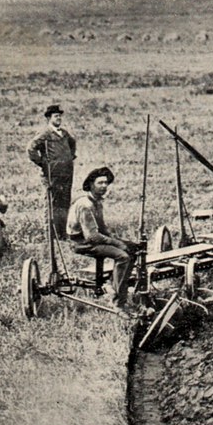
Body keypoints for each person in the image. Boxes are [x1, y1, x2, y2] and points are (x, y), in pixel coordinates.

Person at [66, 167, 138, 316]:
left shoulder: (97, 202)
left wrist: (120, 241)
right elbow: (92, 237)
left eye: (106, 183)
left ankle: (115, 284)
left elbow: (102, 229)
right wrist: (117, 243)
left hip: (92, 240)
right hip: (82, 243)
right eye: (100, 183)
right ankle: (118, 302)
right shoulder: (85, 205)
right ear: (91, 184)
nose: (104, 186)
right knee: (123, 257)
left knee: (133, 249)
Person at [26, 104, 76, 240]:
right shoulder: (45, 134)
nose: (59, 118)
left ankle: (63, 233)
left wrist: (69, 158)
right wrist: (43, 163)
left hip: (66, 174)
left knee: (64, 203)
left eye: (60, 116)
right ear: (49, 118)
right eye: (56, 116)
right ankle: (51, 236)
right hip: (51, 175)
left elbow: (72, 143)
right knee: (52, 204)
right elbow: (31, 148)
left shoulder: (64, 133)